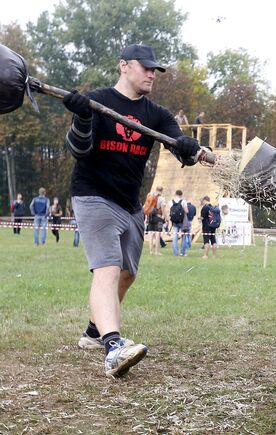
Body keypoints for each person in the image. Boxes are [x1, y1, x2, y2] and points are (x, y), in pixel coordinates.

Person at [62, 43, 202, 377]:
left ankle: (94, 333)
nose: (153, 73)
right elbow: (78, 150)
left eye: (156, 69)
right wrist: (82, 115)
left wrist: (188, 147)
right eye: (146, 67)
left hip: (129, 202)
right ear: (124, 66)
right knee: (107, 269)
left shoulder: (157, 115)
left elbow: (181, 148)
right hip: (93, 194)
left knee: (128, 273)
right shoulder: (97, 102)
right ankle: (113, 347)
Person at [169, 189, 189, 257]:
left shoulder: (171, 202)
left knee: (175, 237)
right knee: (183, 236)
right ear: (181, 195)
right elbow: (186, 211)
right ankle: (182, 252)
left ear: (175, 194)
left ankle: (175, 253)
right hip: (182, 221)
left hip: (174, 221)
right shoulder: (183, 201)